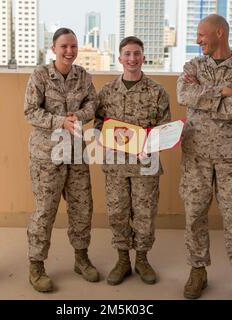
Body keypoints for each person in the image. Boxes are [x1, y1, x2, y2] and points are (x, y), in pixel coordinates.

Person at [176, 14, 232, 300]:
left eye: (202, 35)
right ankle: (197, 272)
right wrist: (223, 94)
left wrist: (206, 103)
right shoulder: (193, 65)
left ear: (220, 33)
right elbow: (183, 94)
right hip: (196, 154)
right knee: (194, 216)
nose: (197, 40)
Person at [24, 28, 99, 293]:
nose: (69, 51)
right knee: (45, 210)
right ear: (53, 48)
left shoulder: (84, 76)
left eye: (74, 46)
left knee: (82, 208)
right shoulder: (40, 75)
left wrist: (78, 116)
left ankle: (81, 258)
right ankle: (36, 265)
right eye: (64, 46)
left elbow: (93, 105)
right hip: (48, 155)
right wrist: (59, 121)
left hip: (76, 154)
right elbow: (30, 112)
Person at [95, 36, 171, 286]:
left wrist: (148, 145)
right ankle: (122, 260)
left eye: (137, 53)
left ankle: (142, 259)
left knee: (145, 213)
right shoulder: (106, 91)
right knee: (117, 212)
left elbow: (164, 128)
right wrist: (106, 137)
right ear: (119, 58)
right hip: (115, 165)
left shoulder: (157, 92)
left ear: (143, 57)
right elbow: (98, 124)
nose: (132, 58)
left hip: (145, 165)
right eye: (127, 53)